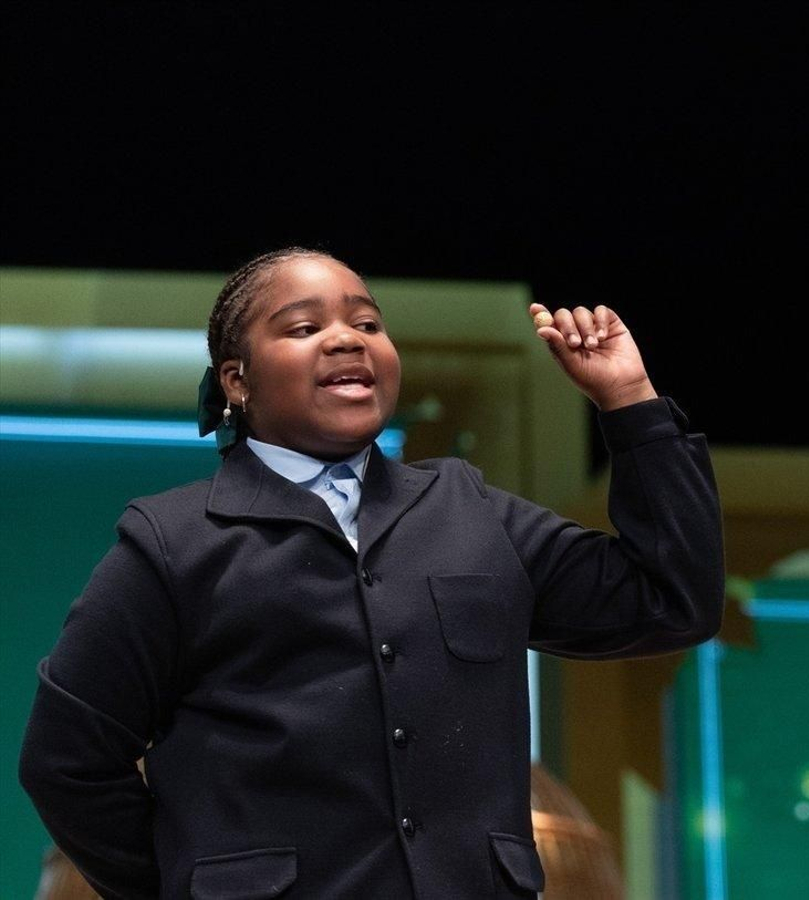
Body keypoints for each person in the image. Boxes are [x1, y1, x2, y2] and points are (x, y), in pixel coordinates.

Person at [18, 248, 725, 898]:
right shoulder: (172, 540)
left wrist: (630, 401)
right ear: (237, 378)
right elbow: (66, 762)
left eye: (368, 322)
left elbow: (671, 600)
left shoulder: (472, 511)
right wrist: (186, 882)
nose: (348, 337)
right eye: (302, 328)